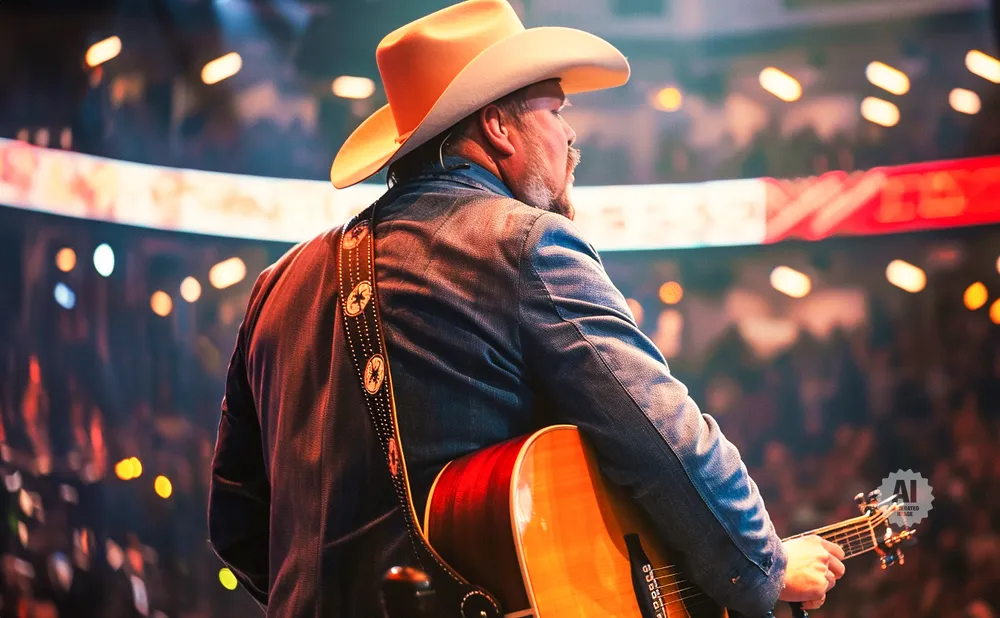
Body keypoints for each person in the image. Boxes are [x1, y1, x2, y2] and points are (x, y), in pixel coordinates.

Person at [207, 1, 845, 616]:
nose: (569, 135)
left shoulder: (275, 285)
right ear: (497, 126)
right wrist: (762, 563)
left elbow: (236, 523)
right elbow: (661, 435)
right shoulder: (524, 242)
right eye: (554, 109)